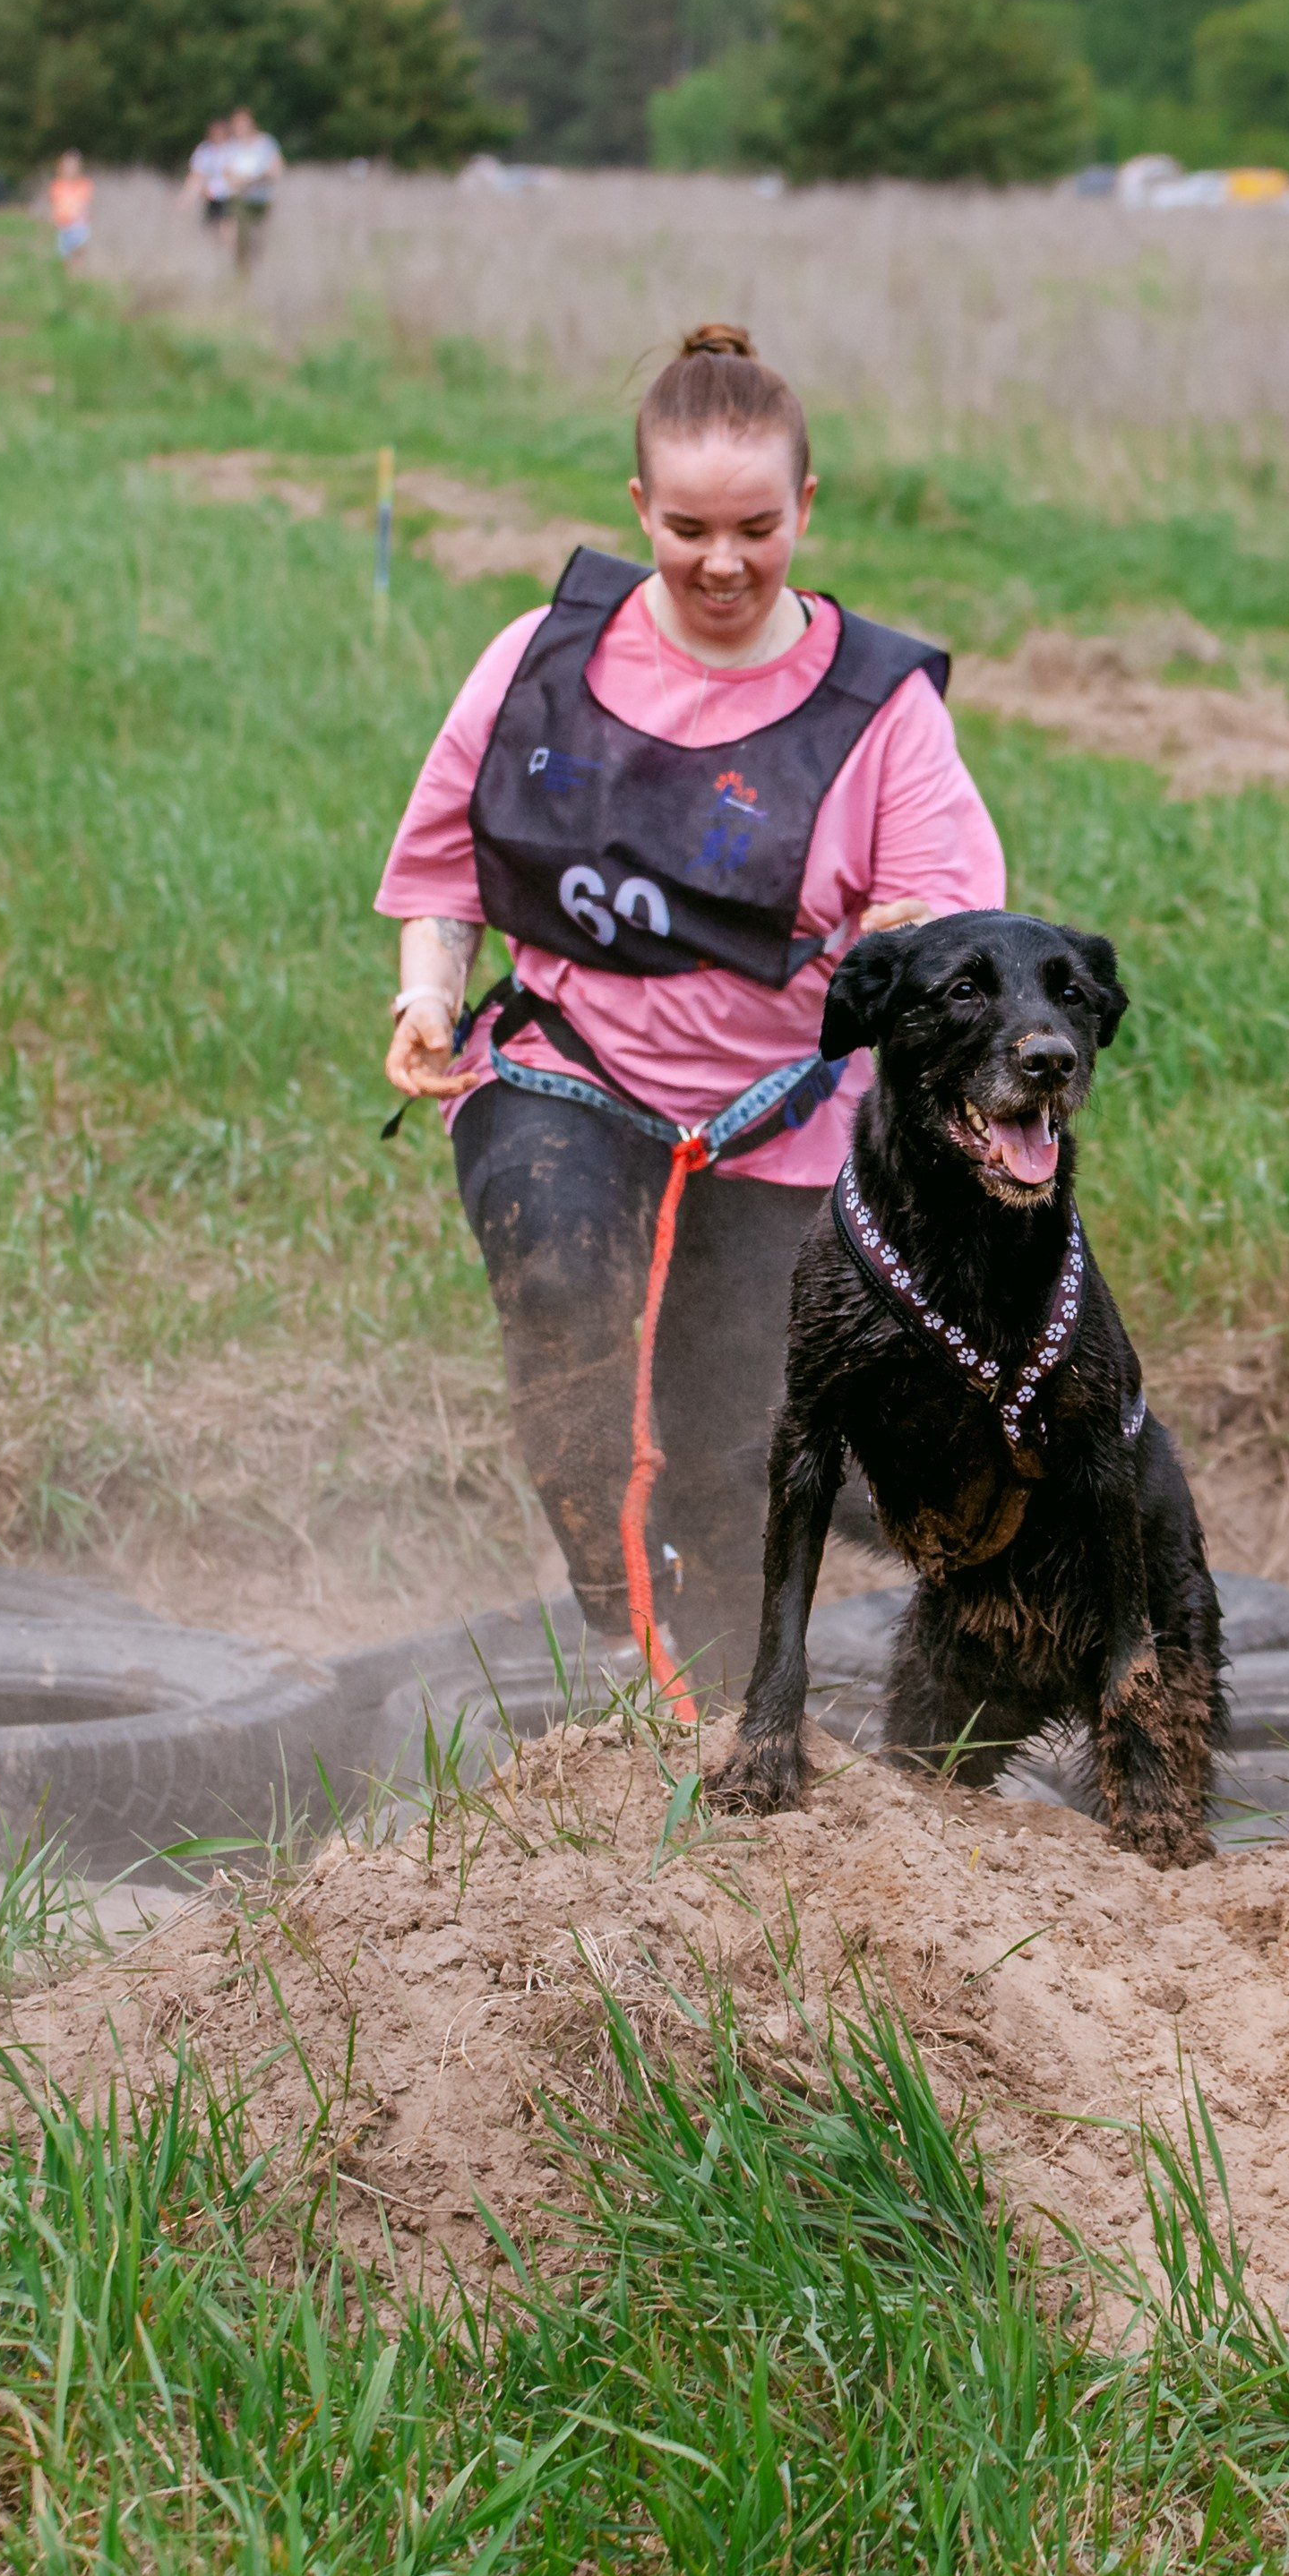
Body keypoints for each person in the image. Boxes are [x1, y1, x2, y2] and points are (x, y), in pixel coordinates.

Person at [376, 322, 1006, 1700]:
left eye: (756, 528)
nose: (722, 563)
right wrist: (429, 993)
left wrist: (913, 943)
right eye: (687, 528)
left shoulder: (881, 710)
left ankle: (723, 1708)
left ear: (807, 510)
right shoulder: (539, 656)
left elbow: (960, 939)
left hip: (776, 1122)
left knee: (741, 1448)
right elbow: (442, 867)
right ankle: (614, 1625)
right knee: (558, 1272)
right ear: (636, 511)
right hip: (565, 1068)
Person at [224, 108, 284, 262]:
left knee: (263, 239)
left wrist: (252, 179)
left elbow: (276, 170)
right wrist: (250, 179)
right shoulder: (231, 147)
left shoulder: (266, 143)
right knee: (240, 238)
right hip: (241, 200)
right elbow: (229, 175)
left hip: (263, 199)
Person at [184, 116, 233, 227]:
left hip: (227, 194)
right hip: (210, 193)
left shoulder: (232, 149)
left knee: (226, 223)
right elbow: (196, 172)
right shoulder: (204, 149)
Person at [47, 150, 93, 263]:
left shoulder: (84, 184)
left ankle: (79, 274)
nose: (70, 169)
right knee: (64, 255)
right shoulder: (56, 185)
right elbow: (54, 204)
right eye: (67, 166)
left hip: (78, 224)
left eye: (73, 166)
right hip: (62, 225)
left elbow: (87, 204)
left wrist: (84, 216)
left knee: (78, 250)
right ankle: (69, 277)